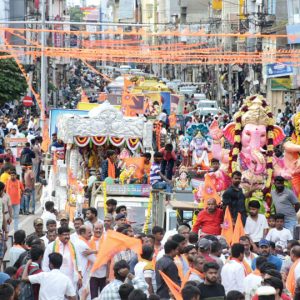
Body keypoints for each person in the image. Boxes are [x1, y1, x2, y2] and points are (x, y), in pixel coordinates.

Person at [89, 222, 107, 299]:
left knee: (104, 297)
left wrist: (94, 251)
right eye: (96, 228)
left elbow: (107, 252)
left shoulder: (106, 240)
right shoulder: (89, 240)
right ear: (93, 230)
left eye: (100, 229)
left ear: (103, 229)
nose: (98, 230)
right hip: (93, 275)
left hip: (105, 274)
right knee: (93, 296)